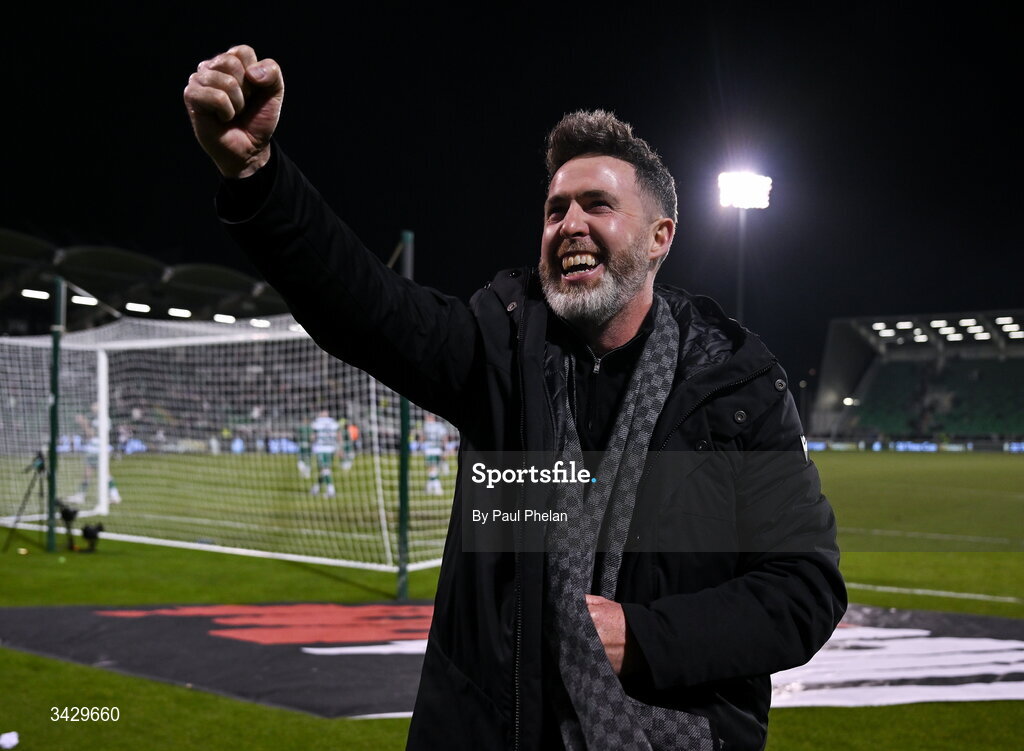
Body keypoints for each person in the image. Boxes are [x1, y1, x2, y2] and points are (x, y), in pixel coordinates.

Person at [184, 45, 846, 751]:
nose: (569, 225)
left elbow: (804, 587)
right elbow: (366, 306)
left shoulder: (734, 380)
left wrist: (645, 637)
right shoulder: (495, 343)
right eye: (555, 208)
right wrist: (257, 177)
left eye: (597, 204)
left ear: (661, 237)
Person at [309, 408, 340, 497]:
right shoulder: (333, 422)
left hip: (321, 448)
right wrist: (339, 447)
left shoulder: (317, 422)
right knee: (324, 469)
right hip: (331, 448)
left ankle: (331, 490)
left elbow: (313, 436)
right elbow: (338, 435)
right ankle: (317, 487)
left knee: (324, 469)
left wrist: (311, 442)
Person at [420, 412, 449, 495]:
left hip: (431, 450)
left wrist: (420, 444)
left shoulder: (427, 426)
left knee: (432, 469)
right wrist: (445, 449)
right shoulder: (439, 425)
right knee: (433, 469)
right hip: (436, 449)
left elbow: (423, 437)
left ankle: (437, 488)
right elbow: (444, 438)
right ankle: (430, 487)